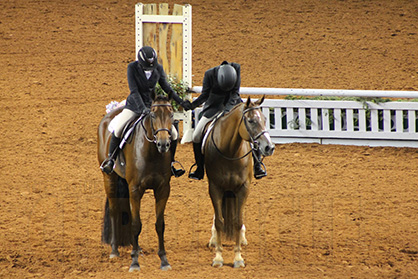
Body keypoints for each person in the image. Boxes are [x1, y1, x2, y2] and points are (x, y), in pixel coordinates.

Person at [100, 46, 192, 176]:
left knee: (175, 134)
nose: (150, 69)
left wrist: (181, 102)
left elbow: (166, 87)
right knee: (119, 128)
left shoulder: (158, 68)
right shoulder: (132, 68)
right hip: (134, 106)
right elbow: (134, 91)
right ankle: (111, 159)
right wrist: (142, 108)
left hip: (151, 107)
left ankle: (171, 163)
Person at [187, 61, 267, 180]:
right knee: (196, 135)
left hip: (234, 104)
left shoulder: (236, 68)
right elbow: (204, 95)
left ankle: (257, 165)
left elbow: (235, 93)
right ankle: (199, 168)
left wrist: (227, 112)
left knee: (251, 129)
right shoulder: (209, 74)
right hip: (213, 106)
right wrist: (192, 105)